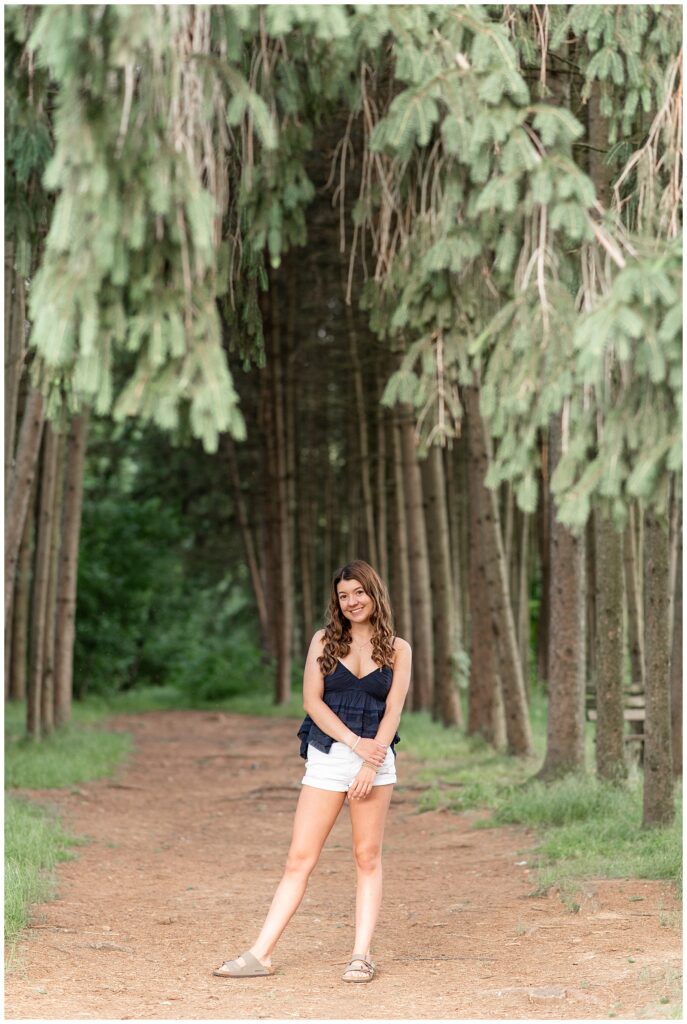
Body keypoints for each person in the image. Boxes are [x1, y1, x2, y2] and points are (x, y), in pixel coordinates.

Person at [213, 559, 411, 983]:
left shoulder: (398, 648)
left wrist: (370, 762)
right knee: (299, 858)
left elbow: (393, 710)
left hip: (376, 763)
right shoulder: (324, 640)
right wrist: (354, 746)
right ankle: (260, 955)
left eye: (358, 592)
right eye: (343, 596)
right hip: (328, 757)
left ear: (374, 593)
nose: (351, 601)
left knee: (366, 857)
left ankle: (361, 955)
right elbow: (312, 702)